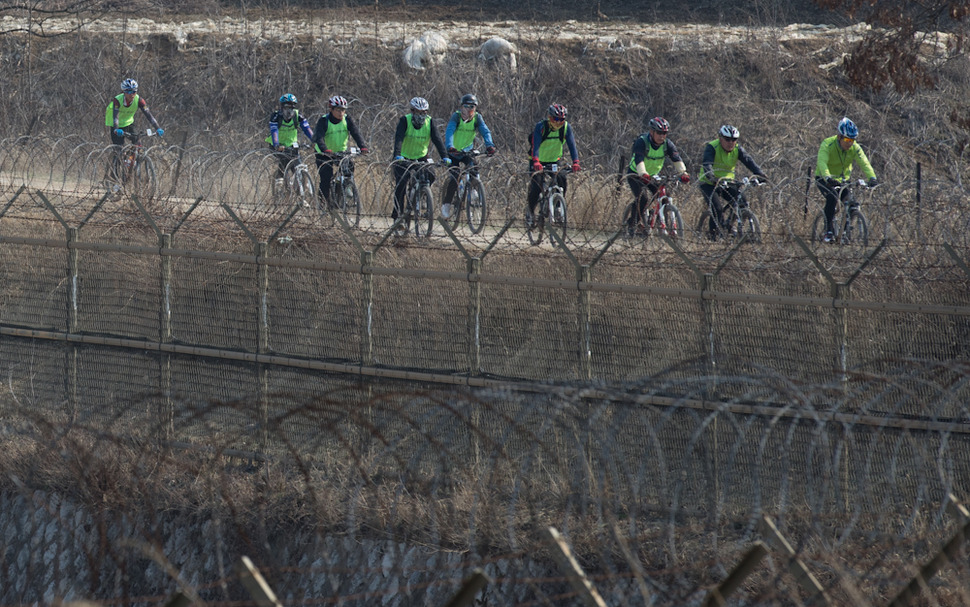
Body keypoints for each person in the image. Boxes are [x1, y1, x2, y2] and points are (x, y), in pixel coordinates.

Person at [698, 124, 768, 240]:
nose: (731, 142)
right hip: (709, 183)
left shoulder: (737, 149)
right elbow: (707, 164)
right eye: (727, 139)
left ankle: (730, 226)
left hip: (727, 182)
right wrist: (711, 176)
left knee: (743, 202)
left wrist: (761, 175)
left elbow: (749, 161)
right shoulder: (712, 147)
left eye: (734, 140)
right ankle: (713, 236)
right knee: (717, 208)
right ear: (720, 138)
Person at [815, 117, 878, 243]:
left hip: (843, 180)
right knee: (832, 197)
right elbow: (822, 162)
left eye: (853, 140)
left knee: (851, 203)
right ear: (839, 136)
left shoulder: (855, 147)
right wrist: (827, 177)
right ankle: (828, 230)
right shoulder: (828, 144)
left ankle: (844, 233)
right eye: (847, 139)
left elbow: (864, 162)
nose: (850, 143)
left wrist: (872, 177)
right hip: (824, 178)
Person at [625, 116, 690, 235]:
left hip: (652, 175)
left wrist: (683, 173)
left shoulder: (667, 144)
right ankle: (632, 224)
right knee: (643, 199)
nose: (662, 136)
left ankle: (659, 219)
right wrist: (643, 173)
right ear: (651, 132)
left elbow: (676, 159)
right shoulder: (642, 142)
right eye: (659, 133)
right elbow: (639, 159)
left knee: (665, 197)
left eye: (664, 133)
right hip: (635, 174)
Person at [390, 96, 450, 221]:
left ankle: (421, 194)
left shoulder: (430, 122)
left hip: (421, 156)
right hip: (404, 157)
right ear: (412, 111)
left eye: (424, 112)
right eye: (418, 112)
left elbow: (437, 140)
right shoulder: (404, 121)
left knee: (431, 175)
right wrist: (397, 154)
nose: (421, 116)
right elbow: (399, 139)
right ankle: (398, 217)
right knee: (401, 184)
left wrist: (445, 156)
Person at [441, 93, 497, 219]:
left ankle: (473, 187)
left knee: (474, 168)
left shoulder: (477, 118)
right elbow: (449, 130)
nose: (469, 109)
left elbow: (485, 131)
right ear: (461, 107)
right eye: (466, 106)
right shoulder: (456, 117)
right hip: (453, 152)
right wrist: (450, 146)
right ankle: (446, 204)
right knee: (455, 178)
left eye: (472, 107)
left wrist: (490, 145)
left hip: (467, 151)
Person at [311, 95, 370, 208]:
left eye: (343, 110)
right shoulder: (324, 120)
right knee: (326, 177)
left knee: (349, 167)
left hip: (340, 153)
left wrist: (363, 147)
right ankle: (323, 202)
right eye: (338, 110)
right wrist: (325, 149)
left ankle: (342, 191)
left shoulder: (347, 119)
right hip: (323, 153)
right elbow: (319, 138)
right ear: (331, 109)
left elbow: (356, 133)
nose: (341, 113)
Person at [526, 103, 579, 227]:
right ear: (549, 117)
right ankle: (531, 212)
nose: (558, 122)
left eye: (561, 119)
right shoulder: (541, 127)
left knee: (562, 180)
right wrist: (536, 161)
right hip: (537, 160)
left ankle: (558, 207)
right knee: (536, 186)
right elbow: (536, 145)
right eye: (556, 119)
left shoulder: (566, 128)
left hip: (554, 160)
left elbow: (572, 146)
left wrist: (576, 162)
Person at [104, 78, 163, 184]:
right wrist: (116, 129)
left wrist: (157, 128)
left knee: (138, 144)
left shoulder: (139, 100)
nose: (132, 94)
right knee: (119, 149)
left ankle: (131, 163)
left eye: (134, 91)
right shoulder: (118, 100)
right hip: (115, 124)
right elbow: (115, 117)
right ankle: (114, 177)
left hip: (128, 122)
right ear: (124, 92)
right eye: (129, 91)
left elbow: (149, 115)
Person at [266, 93, 314, 183]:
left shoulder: (297, 115)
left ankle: (299, 190)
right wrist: (277, 145)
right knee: (285, 160)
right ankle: (279, 181)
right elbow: (274, 131)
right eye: (286, 108)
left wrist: (314, 141)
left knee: (297, 166)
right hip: (276, 145)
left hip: (292, 146)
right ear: (282, 108)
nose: (289, 111)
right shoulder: (276, 116)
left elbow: (307, 129)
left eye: (291, 108)